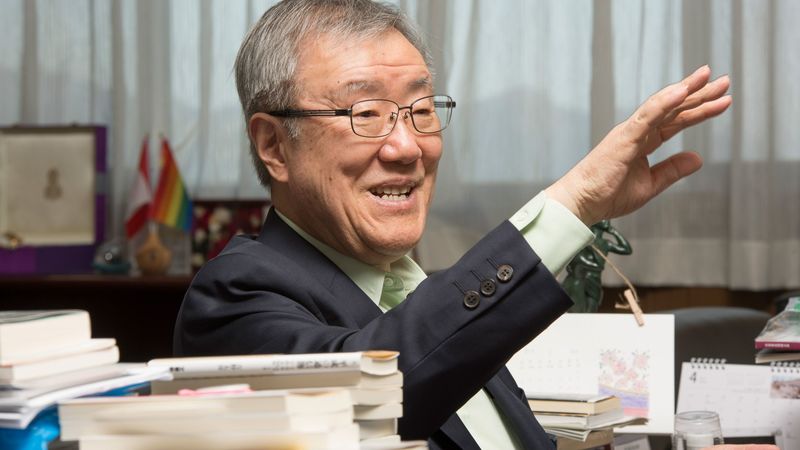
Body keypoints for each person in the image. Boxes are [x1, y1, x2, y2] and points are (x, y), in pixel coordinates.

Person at [173, 1, 766, 449]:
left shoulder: (422, 292)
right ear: (274, 145)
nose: (408, 147)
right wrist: (576, 203)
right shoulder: (233, 300)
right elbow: (376, 390)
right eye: (366, 113)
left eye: (421, 110)